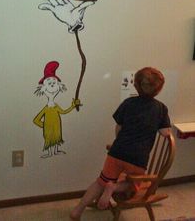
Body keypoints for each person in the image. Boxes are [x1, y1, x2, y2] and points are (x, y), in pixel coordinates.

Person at [70, 67, 171, 220]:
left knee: (100, 182)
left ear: (136, 85)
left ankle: (78, 210)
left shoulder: (129, 102)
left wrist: (119, 142)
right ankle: (114, 187)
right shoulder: (161, 108)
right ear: (159, 89)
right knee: (132, 184)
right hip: (138, 158)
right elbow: (165, 133)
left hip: (117, 152)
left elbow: (119, 127)